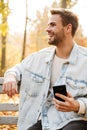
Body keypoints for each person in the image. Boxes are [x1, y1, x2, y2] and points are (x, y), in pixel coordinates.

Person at [3, 8, 87, 130]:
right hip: (44, 123)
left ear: (68, 28)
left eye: (52, 25)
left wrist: (78, 105)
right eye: (48, 25)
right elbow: (17, 69)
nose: (47, 29)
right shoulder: (39, 58)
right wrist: (10, 77)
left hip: (73, 122)